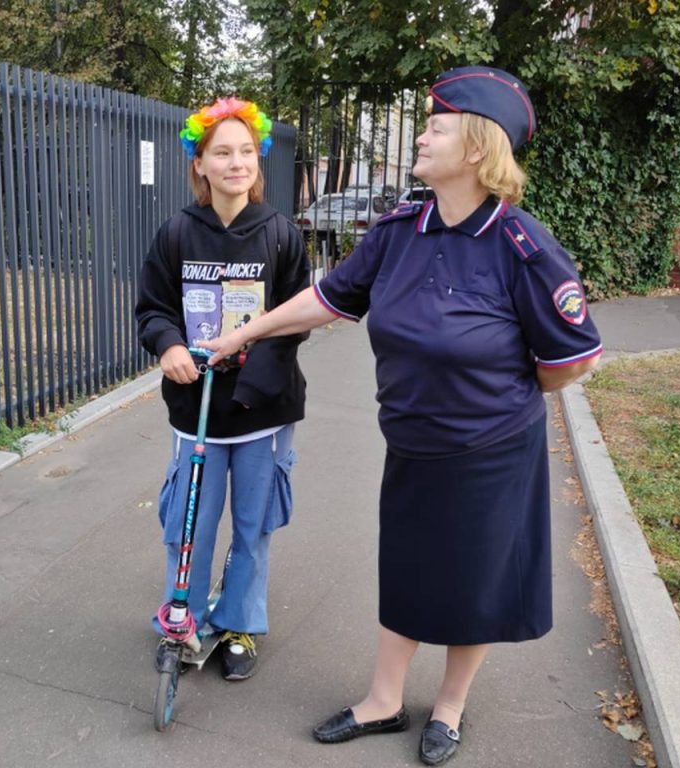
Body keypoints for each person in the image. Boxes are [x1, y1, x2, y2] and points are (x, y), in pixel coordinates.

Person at [199, 68, 602, 762]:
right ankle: (384, 701)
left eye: (436, 127)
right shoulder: (399, 231)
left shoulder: (522, 247)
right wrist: (242, 334)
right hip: (413, 443)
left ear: (476, 147)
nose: (421, 133)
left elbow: (574, 358)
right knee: (409, 569)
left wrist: (504, 392)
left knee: (471, 580)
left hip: (492, 450)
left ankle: (449, 706)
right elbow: (330, 298)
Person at [135, 97, 310, 681]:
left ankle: (238, 624)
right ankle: (181, 618)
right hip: (197, 411)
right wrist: (169, 347)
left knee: (254, 524)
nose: (236, 163)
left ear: (258, 162)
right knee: (189, 524)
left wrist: (249, 383)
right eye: (221, 153)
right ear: (200, 165)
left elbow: (293, 322)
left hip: (261, 410)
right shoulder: (177, 234)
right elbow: (153, 309)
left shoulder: (282, 235)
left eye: (245, 152)